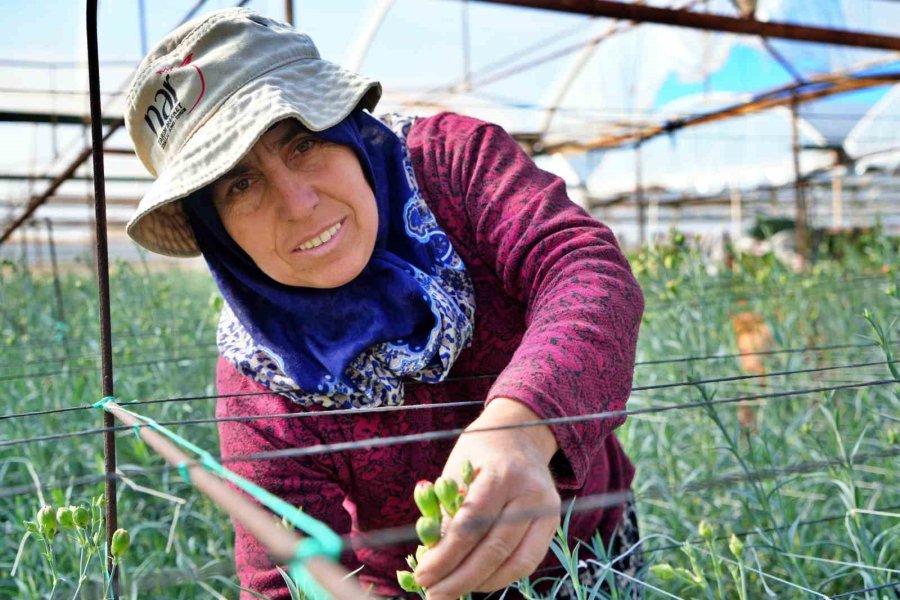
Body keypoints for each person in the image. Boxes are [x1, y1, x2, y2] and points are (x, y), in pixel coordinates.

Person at [124, 8, 645, 599]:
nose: (298, 203)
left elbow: (583, 268)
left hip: (591, 550)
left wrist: (520, 429)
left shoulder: (455, 167)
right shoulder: (261, 379)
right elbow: (283, 579)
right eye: (239, 184)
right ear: (216, 231)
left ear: (346, 127)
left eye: (303, 141)